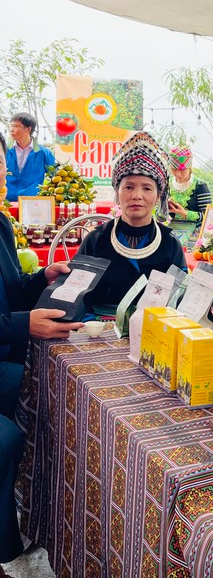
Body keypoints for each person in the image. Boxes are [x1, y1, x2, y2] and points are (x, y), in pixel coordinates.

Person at [0, 132, 82, 571]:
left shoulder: (0, 223)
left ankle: (48, 514)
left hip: (6, 355)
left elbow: (10, 295)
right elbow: (13, 317)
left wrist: (41, 278)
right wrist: (22, 325)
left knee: (56, 397)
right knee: (21, 423)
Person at [77, 132, 186, 309]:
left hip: (154, 327)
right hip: (96, 329)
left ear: (158, 196)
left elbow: (179, 299)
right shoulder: (96, 240)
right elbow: (77, 296)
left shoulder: (170, 243)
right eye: (128, 187)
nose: (137, 196)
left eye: (147, 188)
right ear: (117, 193)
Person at [166, 145, 213, 247]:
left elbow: (209, 217)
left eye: (182, 170)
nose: (178, 174)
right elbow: (159, 216)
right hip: (171, 233)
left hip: (195, 235)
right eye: (174, 170)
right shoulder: (167, 185)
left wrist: (185, 213)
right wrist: (164, 208)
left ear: (190, 167)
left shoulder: (200, 186)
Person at [5, 112, 56, 202]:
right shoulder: (4, 150)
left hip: (32, 203)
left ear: (28, 129)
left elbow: (55, 177)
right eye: (11, 126)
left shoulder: (44, 153)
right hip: (6, 201)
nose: (11, 129)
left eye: (15, 126)